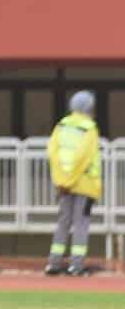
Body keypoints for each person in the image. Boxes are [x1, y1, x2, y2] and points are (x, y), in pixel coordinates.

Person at [45, 91, 103, 276]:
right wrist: (71, 180)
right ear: (89, 108)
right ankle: (76, 265)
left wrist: (61, 181)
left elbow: (53, 155)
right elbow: (83, 157)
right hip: (84, 184)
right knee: (81, 223)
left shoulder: (61, 126)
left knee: (63, 222)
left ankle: (53, 263)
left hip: (63, 184)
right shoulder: (89, 128)